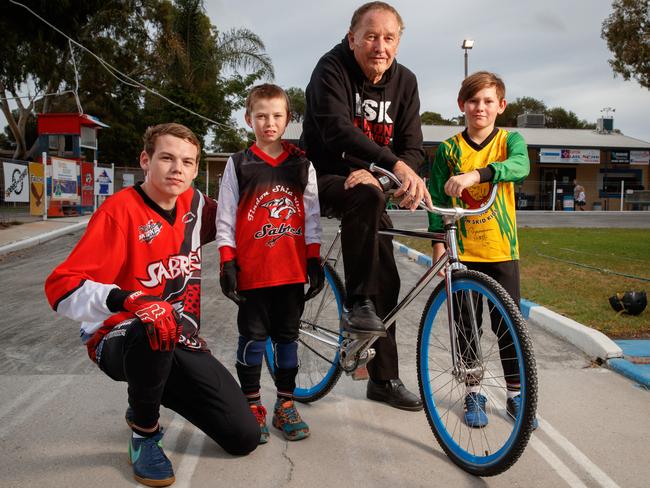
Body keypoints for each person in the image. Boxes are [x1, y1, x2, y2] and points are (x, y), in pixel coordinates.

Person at [44, 123, 260, 487]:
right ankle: (145, 433)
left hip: (178, 339)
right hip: (118, 337)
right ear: (146, 160)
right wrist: (129, 299)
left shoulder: (198, 207)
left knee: (243, 437)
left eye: (187, 162)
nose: (177, 168)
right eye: (167, 158)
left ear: (195, 171)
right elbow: (61, 288)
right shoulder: (119, 212)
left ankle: (146, 392)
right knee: (155, 320)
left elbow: (250, 215)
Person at [301, 1, 430, 411]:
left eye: (389, 38)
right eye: (371, 36)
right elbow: (336, 130)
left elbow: (413, 147)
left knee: (388, 279)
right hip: (323, 175)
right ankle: (358, 305)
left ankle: (383, 380)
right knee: (366, 195)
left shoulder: (405, 81)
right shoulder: (331, 68)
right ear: (352, 36)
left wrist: (395, 173)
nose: (380, 46)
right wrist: (389, 166)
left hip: (372, 184)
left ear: (399, 41)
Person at [428, 71, 537, 430]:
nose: (480, 107)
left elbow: (521, 167)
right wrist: (437, 243)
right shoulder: (449, 149)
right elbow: (439, 200)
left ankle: (516, 394)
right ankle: (473, 390)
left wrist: (478, 175)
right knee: (465, 325)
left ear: (501, 106)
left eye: (489, 101)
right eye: (473, 101)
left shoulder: (510, 141)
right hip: (462, 252)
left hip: (501, 250)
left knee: (507, 325)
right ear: (462, 105)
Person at [216, 84, 324, 443]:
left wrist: (313, 259)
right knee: (252, 341)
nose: (269, 122)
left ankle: (285, 405)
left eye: (277, 115)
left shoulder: (301, 165)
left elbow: (311, 215)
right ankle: (253, 406)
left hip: (290, 272)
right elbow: (226, 217)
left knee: (287, 342)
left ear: (288, 119)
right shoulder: (238, 163)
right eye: (261, 115)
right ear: (249, 119)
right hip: (253, 273)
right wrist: (227, 262)